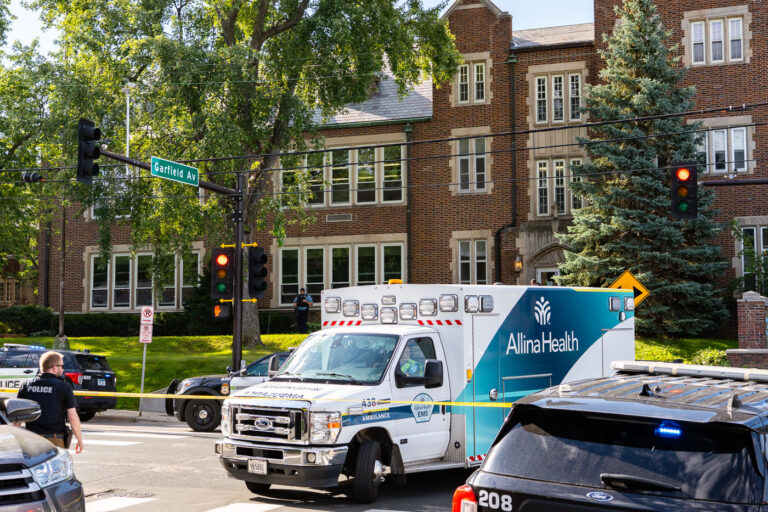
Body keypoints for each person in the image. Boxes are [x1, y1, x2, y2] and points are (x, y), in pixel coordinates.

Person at [17, 351, 84, 452]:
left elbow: (18, 416)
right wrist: (79, 439)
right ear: (54, 368)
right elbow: (72, 416)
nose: (63, 369)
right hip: (54, 440)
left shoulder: (26, 385)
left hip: (31, 439)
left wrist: (15, 439)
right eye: (62, 366)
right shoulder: (63, 386)